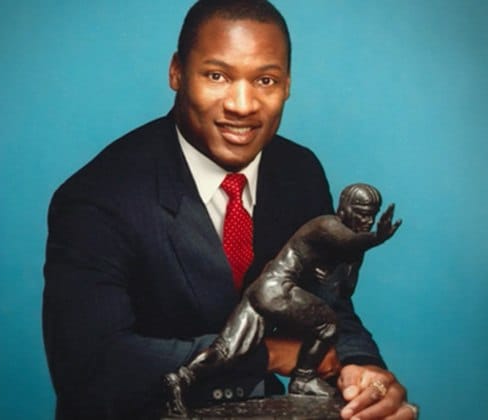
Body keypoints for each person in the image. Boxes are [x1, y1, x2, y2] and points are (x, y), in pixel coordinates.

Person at [43, 1, 417, 419]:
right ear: (177, 72)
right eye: (217, 75)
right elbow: (91, 365)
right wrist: (266, 355)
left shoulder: (298, 171)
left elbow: (327, 300)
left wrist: (361, 367)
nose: (242, 104)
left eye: (265, 79)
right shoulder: (99, 197)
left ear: (288, 84)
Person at [163, 188, 401, 416]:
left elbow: (344, 291)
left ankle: (182, 378)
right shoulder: (327, 225)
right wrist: (375, 238)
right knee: (328, 326)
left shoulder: (349, 247)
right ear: (344, 210)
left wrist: (348, 261)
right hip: (278, 289)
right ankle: (303, 379)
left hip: (264, 290)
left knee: (226, 350)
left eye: (371, 214)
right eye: (360, 213)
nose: (367, 220)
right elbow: (351, 242)